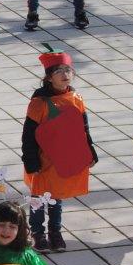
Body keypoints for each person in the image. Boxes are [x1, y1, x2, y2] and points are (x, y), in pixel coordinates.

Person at [21, 44, 98, 253]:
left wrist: (90, 151)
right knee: (38, 197)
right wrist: (30, 160)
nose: (65, 75)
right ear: (49, 77)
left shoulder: (76, 99)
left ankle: (55, 231)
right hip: (43, 159)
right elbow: (29, 135)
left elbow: (83, 129)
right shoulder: (39, 104)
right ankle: (37, 232)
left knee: (57, 195)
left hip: (62, 159)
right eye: (59, 71)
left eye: (67, 70)